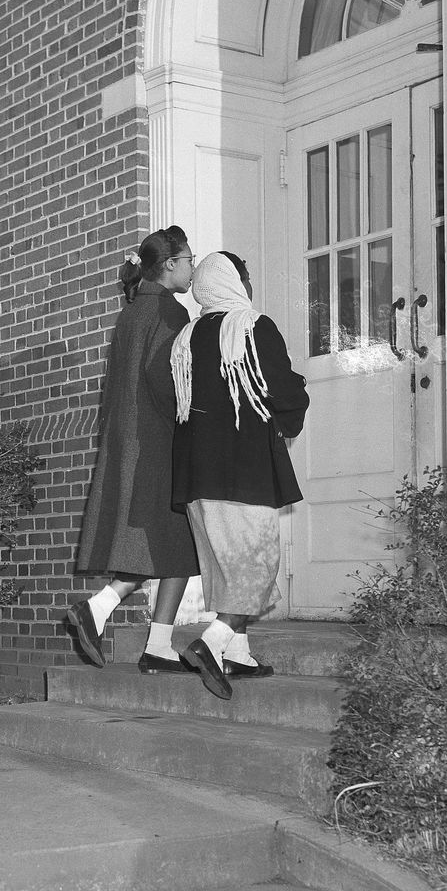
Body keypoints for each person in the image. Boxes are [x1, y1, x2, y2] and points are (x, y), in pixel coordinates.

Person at [170, 252, 308, 700]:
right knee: (257, 563)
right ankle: (210, 643)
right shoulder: (252, 326)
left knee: (227, 569)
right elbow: (282, 391)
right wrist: (294, 405)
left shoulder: (186, 337)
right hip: (243, 471)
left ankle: (238, 654)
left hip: (196, 475)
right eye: (244, 277)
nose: (248, 285)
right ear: (233, 282)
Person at [63, 227, 200, 673]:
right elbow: (167, 381)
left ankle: (128, 626)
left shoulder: (132, 311)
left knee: (165, 543)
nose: (193, 268)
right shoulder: (170, 311)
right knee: (178, 540)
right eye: (189, 260)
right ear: (170, 265)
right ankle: (114, 616)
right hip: (159, 442)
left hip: (131, 440)